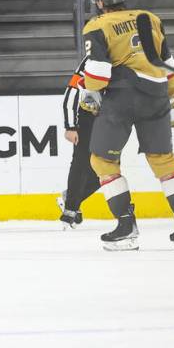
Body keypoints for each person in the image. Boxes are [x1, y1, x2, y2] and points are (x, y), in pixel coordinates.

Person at [82, 0, 174, 251]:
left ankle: (126, 227)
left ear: (99, 1)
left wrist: (91, 95)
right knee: (163, 159)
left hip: (122, 97)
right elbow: (169, 66)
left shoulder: (97, 25)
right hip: (157, 94)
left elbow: (97, 76)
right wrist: (173, 104)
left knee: (102, 161)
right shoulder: (150, 18)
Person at [57, 55, 102, 229]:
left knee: (108, 168)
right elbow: (73, 90)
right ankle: (70, 209)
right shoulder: (93, 58)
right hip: (87, 117)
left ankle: (72, 197)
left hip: (111, 119)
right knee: (81, 162)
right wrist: (70, 125)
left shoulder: (127, 54)